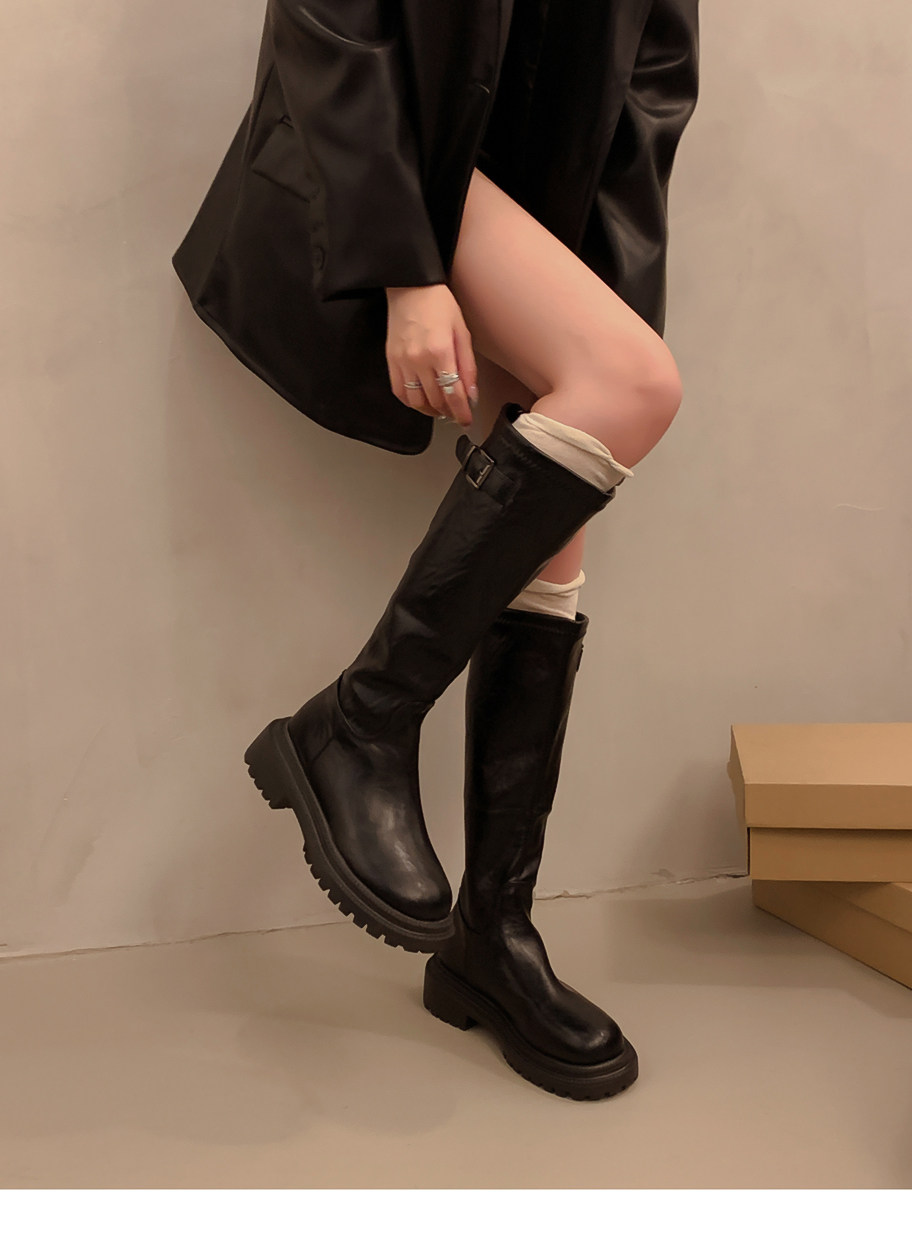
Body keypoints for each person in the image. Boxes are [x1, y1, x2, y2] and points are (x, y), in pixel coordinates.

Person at [172, 0, 700, 1101]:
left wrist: (600, 302)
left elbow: (652, 80)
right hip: (397, 157)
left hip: (540, 192)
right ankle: (357, 722)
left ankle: (491, 936)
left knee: (556, 516)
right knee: (637, 387)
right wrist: (405, 270)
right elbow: (326, 20)